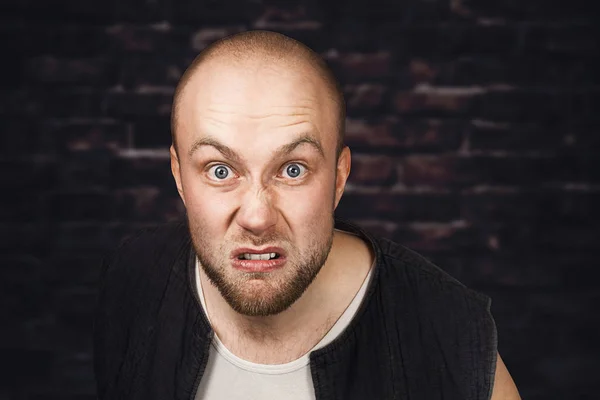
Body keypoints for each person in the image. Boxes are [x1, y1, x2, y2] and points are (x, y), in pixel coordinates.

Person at [93, 30, 521, 399]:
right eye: (220, 171)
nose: (258, 217)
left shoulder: (454, 338)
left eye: (292, 170)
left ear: (339, 177)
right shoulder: (133, 279)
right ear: (179, 177)